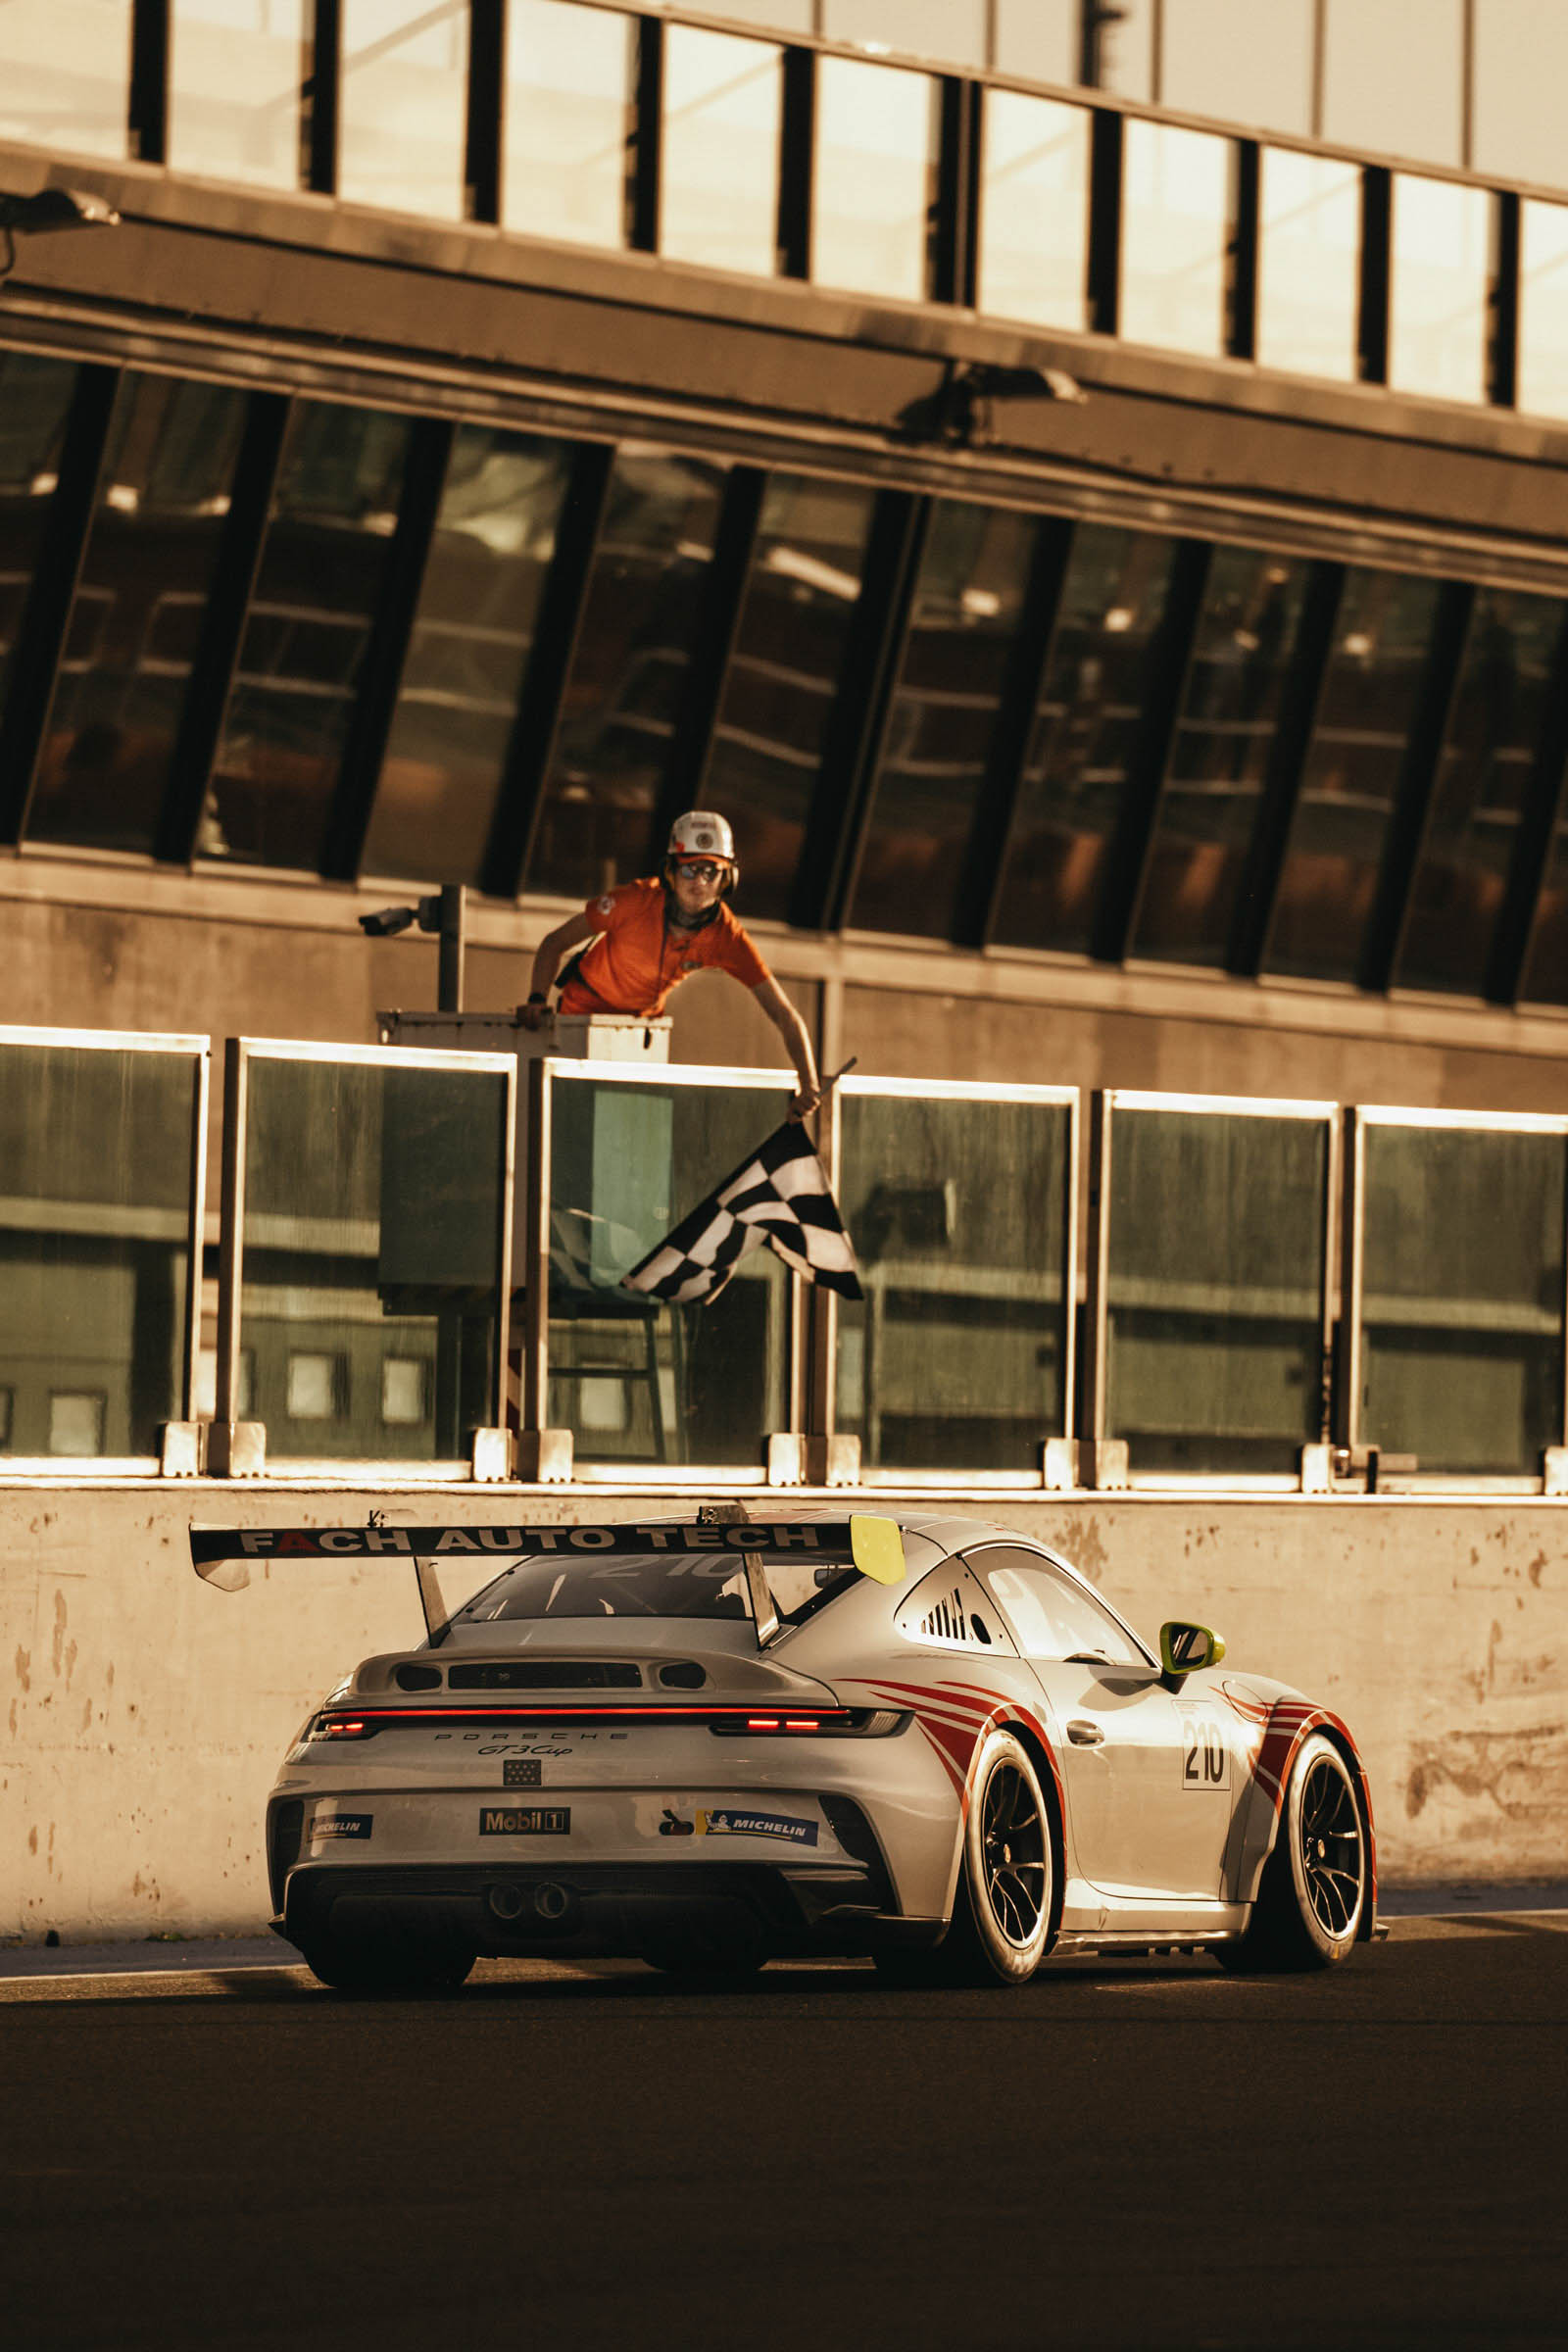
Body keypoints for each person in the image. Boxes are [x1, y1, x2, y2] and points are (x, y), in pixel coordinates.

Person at [518, 811, 822, 1117]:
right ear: (671, 872)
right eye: (689, 870)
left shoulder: (726, 936)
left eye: (710, 871)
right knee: (572, 1118)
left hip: (641, 1036)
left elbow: (783, 1013)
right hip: (579, 1021)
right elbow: (554, 943)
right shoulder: (632, 901)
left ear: (727, 879)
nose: (699, 882)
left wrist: (809, 1084)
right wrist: (536, 999)